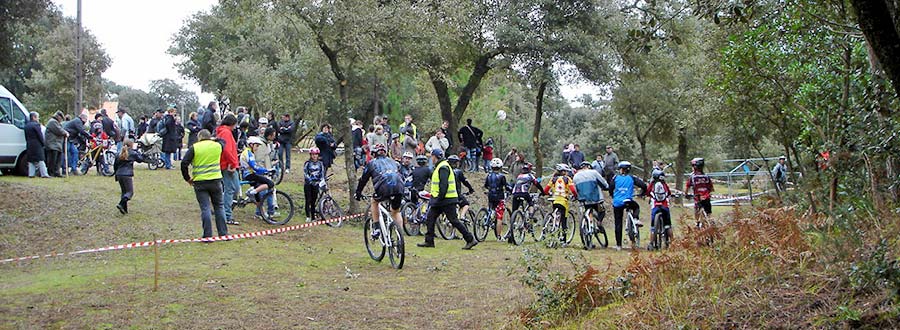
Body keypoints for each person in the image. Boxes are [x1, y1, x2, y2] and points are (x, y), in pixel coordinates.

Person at [417, 149, 478, 249]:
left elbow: (443, 185)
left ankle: (470, 239)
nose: (431, 159)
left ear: (435, 157)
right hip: (442, 199)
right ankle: (429, 241)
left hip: (446, 199)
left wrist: (439, 198)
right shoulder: (441, 166)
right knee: (430, 218)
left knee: (454, 221)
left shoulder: (443, 167)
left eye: (432, 156)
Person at [181, 129, 229, 239]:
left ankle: (207, 235)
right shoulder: (217, 146)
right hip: (216, 180)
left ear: (199, 137)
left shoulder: (195, 147)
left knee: (205, 208)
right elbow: (223, 141)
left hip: (200, 182)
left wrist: (187, 178)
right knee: (219, 207)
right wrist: (214, 139)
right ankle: (223, 233)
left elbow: (184, 163)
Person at [354, 143, 405, 232]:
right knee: (396, 211)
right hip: (399, 187)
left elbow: (363, 180)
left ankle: (376, 227)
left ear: (374, 154)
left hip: (383, 187)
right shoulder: (393, 162)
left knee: (374, 201)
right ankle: (400, 236)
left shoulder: (371, 163)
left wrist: (358, 193)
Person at [610, 161, 648, 251]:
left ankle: (619, 245)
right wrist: (642, 193)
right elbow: (643, 185)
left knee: (618, 223)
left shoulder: (615, 178)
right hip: (628, 200)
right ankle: (635, 219)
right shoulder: (632, 178)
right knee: (636, 207)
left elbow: (610, 188)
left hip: (617, 202)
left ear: (621, 170)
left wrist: (613, 195)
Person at [241, 136, 276, 219]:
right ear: (251, 145)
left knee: (258, 198)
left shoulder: (248, 152)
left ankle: (261, 213)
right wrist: (266, 171)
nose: (257, 148)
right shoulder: (248, 153)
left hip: (249, 174)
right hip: (249, 175)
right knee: (270, 183)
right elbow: (255, 167)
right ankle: (251, 192)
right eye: (256, 146)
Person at [543, 164, 578, 244]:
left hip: (555, 201)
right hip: (563, 201)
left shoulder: (553, 179)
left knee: (555, 215)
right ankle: (563, 240)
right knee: (564, 220)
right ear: (564, 172)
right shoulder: (567, 179)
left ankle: (552, 227)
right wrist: (576, 196)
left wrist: (547, 193)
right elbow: (573, 190)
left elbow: (545, 190)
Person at [216, 115, 241, 226]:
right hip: (228, 165)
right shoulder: (226, 133)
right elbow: (226, 150)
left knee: (232, 189)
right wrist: (233, 163)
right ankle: (227, 215)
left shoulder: (223, 132)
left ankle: (224, 211)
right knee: (231, 189)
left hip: (228, 164)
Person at [574, 161, 609, 227]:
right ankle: (599, 222)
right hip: (595, 198)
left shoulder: (576, 176)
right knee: (602, 211)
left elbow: (574, 189)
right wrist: (607, 187)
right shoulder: (594, 172)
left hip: (583, 199)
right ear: (589, 166)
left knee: (587, 210)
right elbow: (603, 183)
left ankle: (588, 225)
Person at [113, 139, 145, 214]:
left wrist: (116, 174)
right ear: (131, 145)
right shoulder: (132, 153)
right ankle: (121, 203)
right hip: (127, 175)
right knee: (130, 192)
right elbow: (140, 159)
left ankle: (124, 209)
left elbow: (115, 165)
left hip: (119, 174)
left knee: (124, 192)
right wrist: (138, 151)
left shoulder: (119, 153)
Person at [484, 158, 511, 239]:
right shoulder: (502, 176)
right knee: (499, 216)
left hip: (490, 196)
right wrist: (511, 189)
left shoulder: (488, 175)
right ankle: (499, 236)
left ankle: (488, 217)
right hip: (499, 197)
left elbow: (486, 185)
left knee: (491, 208)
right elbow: (506, 186)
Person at [648, 169, 671, 249]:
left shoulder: (652, 184)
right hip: (664, 206)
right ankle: (673, 242)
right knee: (668, 225)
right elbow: (669, 193)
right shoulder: (664, 184)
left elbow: (648, 192)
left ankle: (651, 243)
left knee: (653, 227)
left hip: (655, 206)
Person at [447, 155, 475, 221]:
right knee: (466, 204)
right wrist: (471, 189)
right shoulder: (458, 172)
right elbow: (465, 182)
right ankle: (462, 216)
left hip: (446, 194)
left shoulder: (445, 170)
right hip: (456, 194)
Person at [24, 112, 49, 178]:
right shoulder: (36, 125)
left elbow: (26, 136)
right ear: (34, 117)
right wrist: (43, 143)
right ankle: (44, 174)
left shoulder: (26, 126)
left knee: (31, 160)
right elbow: (40, 135)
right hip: (37, 144)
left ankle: (31, 174)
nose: (38, 118)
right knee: (41, 159)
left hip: (29, 144)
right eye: (37, 117)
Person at [304, 148, 326, 222]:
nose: (314, 156)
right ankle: (307, 216)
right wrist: (310, 180)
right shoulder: (307, 163)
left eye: (316, 154)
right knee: (308, 200)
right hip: (308, 184)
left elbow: (322, 174)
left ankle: (313, 217)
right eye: (313, 154)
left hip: (316, 184)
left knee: (314, 200)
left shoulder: (320, 164)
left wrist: (321, 181)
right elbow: (305, 173)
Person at [44, 111, 68, 177]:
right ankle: (51, 173)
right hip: (52, 145)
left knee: (58, 160)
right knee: (52, 161)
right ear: (58, 116)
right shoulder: (52, 122)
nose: (61, 120)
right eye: (61, 118)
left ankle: (56, 172)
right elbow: (59, 130)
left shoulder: (56, 122)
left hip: (57, 145)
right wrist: (65, 133)